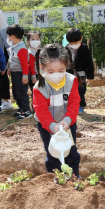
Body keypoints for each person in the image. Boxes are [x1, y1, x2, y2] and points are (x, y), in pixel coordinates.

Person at [33, 44, 81, 177]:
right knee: (53, 153)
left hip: (67, 123)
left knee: (71, 152)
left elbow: (74, 103)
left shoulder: (71, 81)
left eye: (61, 71)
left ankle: (73, 177)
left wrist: (67, 121)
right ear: (42, 68)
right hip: (47, 126)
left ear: (67, 67)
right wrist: (53, 126)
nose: (56, 75)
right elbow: (41, 112)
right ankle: (54, 179)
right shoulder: (39, 88)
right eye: (51, 72)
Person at [66, 28, 94, 114]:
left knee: (81, 90)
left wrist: (90, 76)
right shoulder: (65, 49)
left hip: (81, 73)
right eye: (71, 43)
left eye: (76, 42)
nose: (74, 44)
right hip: (69, 74)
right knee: (69, 91)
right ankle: (71, 106)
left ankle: (80, 106)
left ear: (81, 39)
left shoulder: (84, 48)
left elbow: (89, 62)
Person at [6, 24, 31, 120]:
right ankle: (21, 109)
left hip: (21, 73)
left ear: (12, 36)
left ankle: (27, 110)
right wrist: (9, 68)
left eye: (8, 36)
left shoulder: (21, 48)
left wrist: (25, 76)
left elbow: (25, 64)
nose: (8, 38)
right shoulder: (15, 46)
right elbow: (11, 59)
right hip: (15, 73)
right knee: (16, 92)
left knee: (22, 93)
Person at [26, 30, 41, 111]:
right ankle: (35, 107)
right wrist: (33, 77)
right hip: (34, 75)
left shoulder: (41, 51)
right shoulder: (30, 52)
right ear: (28, 41)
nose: (35, 41)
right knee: (35, 91)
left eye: (37, 39)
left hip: (41, 74)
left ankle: (40, 106)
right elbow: (31, 66)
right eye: (33, 39)